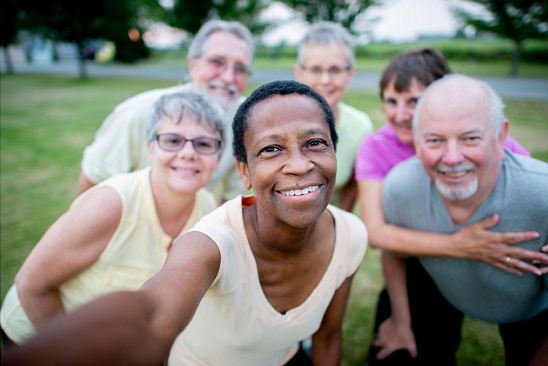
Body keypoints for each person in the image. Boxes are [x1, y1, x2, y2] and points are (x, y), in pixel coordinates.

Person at [1, 80, 368, 366]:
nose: (300, 165)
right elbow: (153, 313)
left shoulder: (350, 235)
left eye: (316, 143)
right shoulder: (210, 236)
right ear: (244, 171)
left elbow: (329, 335)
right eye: (271, 149)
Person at [354, 48, 548, 365]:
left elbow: (523, 190)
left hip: (495, 252)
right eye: (391, 100)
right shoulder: (380, 152)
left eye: (413, 101)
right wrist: (460, 246)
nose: (401, 114)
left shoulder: (495, 147)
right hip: (423, 253)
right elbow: (379, 234)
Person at [0, 91, 225, 345]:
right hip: (39, 339)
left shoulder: (207, 208)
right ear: (150, 148)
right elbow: (31, 286)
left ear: (218, 156)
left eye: (204, 144)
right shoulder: (110, 204)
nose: (188, 153)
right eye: (172, 140)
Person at [78, 19, 255, 202]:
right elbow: (93, 183)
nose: (228, 78)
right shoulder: (139, 112)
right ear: (193, 65)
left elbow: (232, 199)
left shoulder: (246, 120)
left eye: (240, 69)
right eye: (217, 62)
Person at [294, 21, 373, 212]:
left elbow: (352, 187)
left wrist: (338, 228)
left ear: (350, 74)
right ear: (299, 73)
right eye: (315, 69)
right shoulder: (277, 122)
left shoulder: (360, 127)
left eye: (335, 70)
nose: (325, 80)